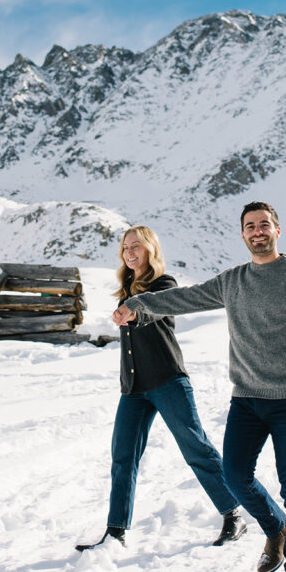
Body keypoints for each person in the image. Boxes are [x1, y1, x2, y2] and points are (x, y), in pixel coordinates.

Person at [113, 202, 286, 572]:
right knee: (235, 477)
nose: (257, 231)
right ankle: (275, 528)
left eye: (264, 224)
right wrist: (137, 305)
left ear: (277, 230)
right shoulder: (234, 281)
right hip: (246, 401)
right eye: (250, 226)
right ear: (243, 235)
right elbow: (184, 298)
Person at [76, 225, 246, 551]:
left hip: (168, 381)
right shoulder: (126, 291)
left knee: (196, 449)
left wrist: (135, 310)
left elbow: (154, 308)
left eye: (136, 246)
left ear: (150, 249)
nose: (129, 252)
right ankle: (116, 531)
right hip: (135, 389)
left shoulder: (163, 286)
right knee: (123, 458)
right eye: (125, 247)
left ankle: (233, 514)